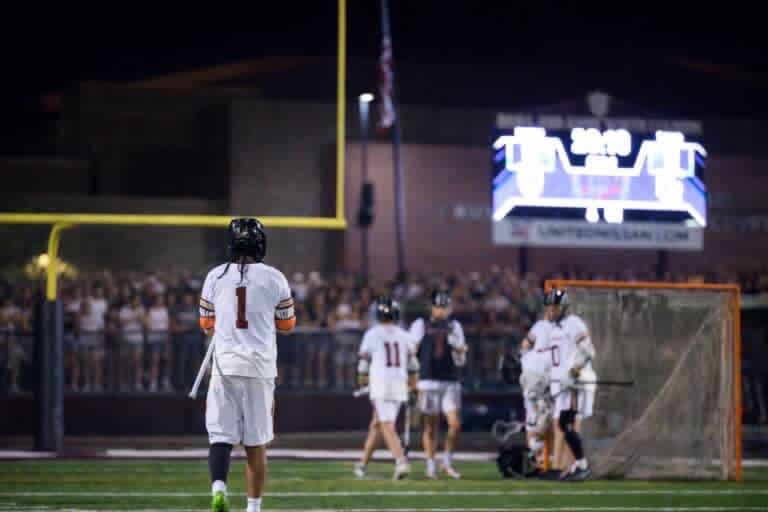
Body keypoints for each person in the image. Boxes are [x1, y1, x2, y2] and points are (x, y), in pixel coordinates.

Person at [199, 218, 295, 512]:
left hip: (225, 365)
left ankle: (219, 488)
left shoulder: (215, 276)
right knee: (256, 444)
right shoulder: (275, 278)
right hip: (259, 368)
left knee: (220, 437)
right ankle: (253, 508)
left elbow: (206, 325)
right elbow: (287, 325)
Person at [353, 298, 417, 480]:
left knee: (387, 425)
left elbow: (363, 362)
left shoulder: (372, 334)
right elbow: (413, 365)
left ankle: (401, 462)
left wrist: (362, 381)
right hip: (399, 382)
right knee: (377, 425)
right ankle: (362, 464)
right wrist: (414, 386)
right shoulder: (404, 335)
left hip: (381, 383)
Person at [408, 289, 467, 479]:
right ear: (432, 307)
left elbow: (461, 357)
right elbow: (411, 350)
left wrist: (459, 350)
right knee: (430, 426)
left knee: (455, 424)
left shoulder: (454, 326)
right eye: (438, 306)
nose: (442, 310)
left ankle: (447, 461)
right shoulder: (420, 324)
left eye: (444, 306)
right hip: (428, 379)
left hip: (449, 379)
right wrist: (412, 377)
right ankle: (431, 465)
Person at [542, 287, 597, 481]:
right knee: (562, 424)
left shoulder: (573, 323)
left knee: (569, 423)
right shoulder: (553, 328)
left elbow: (588, 350)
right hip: (562, 383)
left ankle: (576, 466)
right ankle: (567, 467)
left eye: (555, 307)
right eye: (549, 306)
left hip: (576, 383)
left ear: (563, 307)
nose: (551, 310)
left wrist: (575, 369)